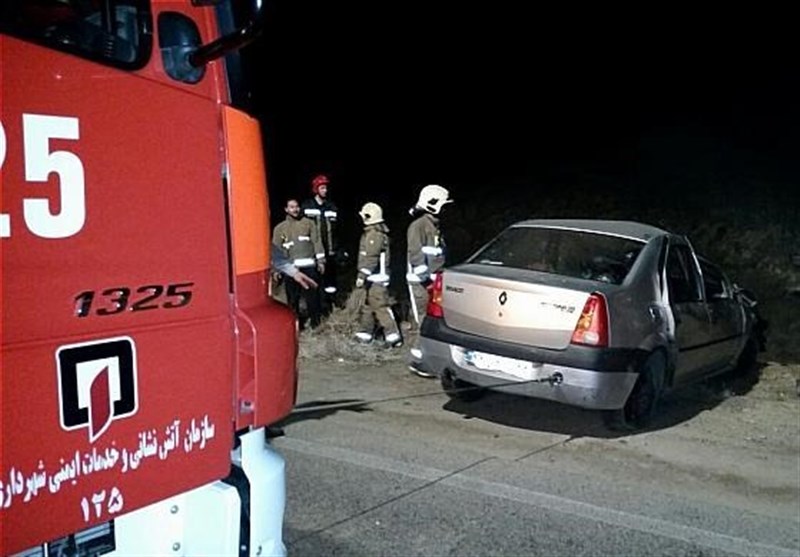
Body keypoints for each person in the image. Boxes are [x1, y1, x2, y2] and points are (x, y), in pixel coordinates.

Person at [406, 184, 453, 377]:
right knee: (424, 321)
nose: (447, 210)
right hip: (421, 284)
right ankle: (420, 362)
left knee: (433, 321)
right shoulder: (418, 226)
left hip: (434, 284)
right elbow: (416, 256)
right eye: (444, 206)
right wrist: (426, 281)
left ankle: (429, 359)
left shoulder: (434, 226)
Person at [353, 202, 403, 348]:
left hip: (376, 279)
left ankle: (393, 337)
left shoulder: (374, 235)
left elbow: (371, 258)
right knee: (368, 306)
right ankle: (365, 333)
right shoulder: (374, 233)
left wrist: (362, 275)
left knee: (381, 307)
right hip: (372, 278)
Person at [273, 198, 325, 329]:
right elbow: (277, 250)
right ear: (286, 209)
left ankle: (316, 324)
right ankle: (296, 326)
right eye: (291, 207)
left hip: (309, 267)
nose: (295, 210)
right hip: (291, 269)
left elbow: (317, 242)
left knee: (312, 297)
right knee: (292, 299)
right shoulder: (280, 228)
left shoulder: (309, 223)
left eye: (296, 206)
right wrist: (276, 270)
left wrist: (321, 261)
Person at [301, 174, 340, 311]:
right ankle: (316, 307)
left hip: (330, 250)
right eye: (322, 188)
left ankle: (331, 304)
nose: (325, 190)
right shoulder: (307, 206)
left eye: (326, 188)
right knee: (315, 279)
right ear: (316, 189)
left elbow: (337, 230)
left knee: (330, 281)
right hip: (313, 251)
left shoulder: (332, 207)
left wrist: (337, 249)